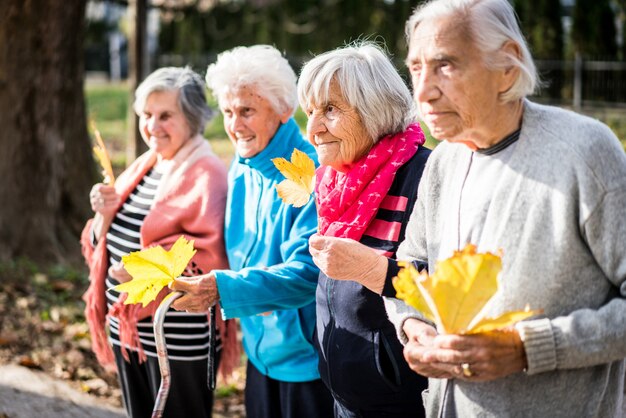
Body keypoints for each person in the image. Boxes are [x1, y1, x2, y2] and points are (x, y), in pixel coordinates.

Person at [311, 0, 626, 417]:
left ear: (508, 66)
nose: (422, 92)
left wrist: (525, 349)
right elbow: (413, 268)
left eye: (445, 66)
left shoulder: (585, 151)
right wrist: (412, 326)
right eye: (417, 68)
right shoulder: (445, 161)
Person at [170, 45, 334, 418]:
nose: (234, 124)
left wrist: (223, 288)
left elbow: (309, 273)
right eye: (228, 112)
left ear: (282, 109)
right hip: (259, 356)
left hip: (306, 362)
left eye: (247, 111)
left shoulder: (308, 171)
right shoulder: (242, 166)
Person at [81, 67, 239, 418]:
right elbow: (102, 238)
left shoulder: (207, 172)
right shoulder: (149, 163)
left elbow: (209, 256)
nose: (152, 126)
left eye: (166, 115)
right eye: (147, 115)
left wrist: (140, 270)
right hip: (131, 328)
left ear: (193, 117)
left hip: (176, 337)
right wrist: (103, 214)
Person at [299, 42, 431, 417]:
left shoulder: (422, 177)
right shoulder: (333, 181)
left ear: (374, 109)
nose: (312, 129)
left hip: (399, 403)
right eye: (309, 111)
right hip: (343, 396)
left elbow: (447, 288)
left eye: (329, 110)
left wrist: (371, 270)